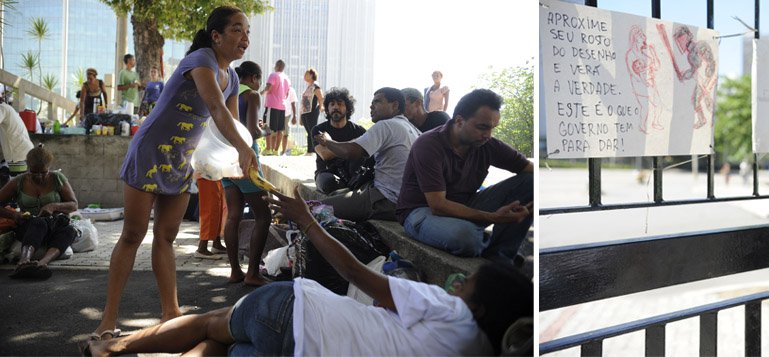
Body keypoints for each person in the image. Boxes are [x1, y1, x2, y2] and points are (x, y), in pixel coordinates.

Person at [82, 188, 532, 356]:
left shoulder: (446, 308)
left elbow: (356, 272)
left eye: (465, 284)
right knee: (222, 348)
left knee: (209, 325)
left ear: (477, 306)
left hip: (294, 312)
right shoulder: (479, 350)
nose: (456, 284)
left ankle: (112, 349)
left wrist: (307, 219)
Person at [91, 5, 258, 343]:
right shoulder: (201, 60)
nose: (245, 37)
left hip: (181, 161)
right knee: (133, 234)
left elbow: (231, 126)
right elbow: (213, 107)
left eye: (248, 31)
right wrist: (244, 148)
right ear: (217, 36)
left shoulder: (234, 77)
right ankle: (106, 321)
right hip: (151, 151)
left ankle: (171, 315)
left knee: (166, 237)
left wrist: (240, 157)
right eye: (238, 29)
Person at [396, 89, 533, 265]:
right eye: (482, 127)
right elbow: (438, 205)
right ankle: (484, 242)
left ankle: (500, 255)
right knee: (466, 238)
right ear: (459, 121)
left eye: (492, 128)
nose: (488, 135)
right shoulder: (428, 144)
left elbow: (529, 168)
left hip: (464, 205)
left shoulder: (487, 144)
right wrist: (493, 217)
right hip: (421, 212)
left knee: (531, 182)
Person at [314, 87, 420, 222]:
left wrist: (327, 142)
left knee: (315, 208)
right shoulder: (412, 129)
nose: (371, 106)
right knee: (336, 193)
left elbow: (350, 152)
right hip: (406, 200)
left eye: (377, 102)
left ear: (395, 105)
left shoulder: (386, 125)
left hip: (386, 199)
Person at [221, 60, 272, 286]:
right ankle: (252, 273)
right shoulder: (252, 95)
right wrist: (266, 129)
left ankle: (235, 271)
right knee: (264, 214)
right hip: (246, 159)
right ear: (254, 78)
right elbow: (251, 133)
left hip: (224, 158)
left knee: (233, 215)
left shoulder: (225, 93)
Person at [1, 144, 78, 280]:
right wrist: (14, 215)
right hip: (29, 227)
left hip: (55, 225)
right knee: (39, 222)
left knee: (70, 231)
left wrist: (53, 206)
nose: (40, 177)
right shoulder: (19, 182)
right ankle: (24, 262)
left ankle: (42, 264)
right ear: (28, 169)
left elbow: (74, 205)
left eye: (44, 173)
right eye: (34, 173)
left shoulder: (57, 178)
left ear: (49, 168)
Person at [310, 87, 367, 194]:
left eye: (340, 104)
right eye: (332, 104)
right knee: (330, 184)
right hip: (326, 173)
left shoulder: (359, 131)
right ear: (327, 109)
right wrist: (353, 147)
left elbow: (367, 152)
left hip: (352, 173)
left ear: (347, 108)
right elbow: (325, 154)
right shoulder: (319, 130)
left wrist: (329, 143)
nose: (336, 107)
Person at [260, 60, 291, 155]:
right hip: (282, 106)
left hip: (272, 105)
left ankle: (269, 148)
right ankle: (276, 151)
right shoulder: (286, 78)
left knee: (267, 126)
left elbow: (268, 87)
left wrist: (261, 93)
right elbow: (287, 93)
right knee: (279, 129)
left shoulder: (273, 75)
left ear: (276, 66)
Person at [194, 176, 226, 258]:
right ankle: (202, 248)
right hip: (206, 174)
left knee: (217, 208)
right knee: (209, 209)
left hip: (214, 174)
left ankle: (217, 243)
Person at [0, 104, 34, 175]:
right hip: (21, 150)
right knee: (19, 181)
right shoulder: (7, 108)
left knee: (17, 183)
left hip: (17, 152)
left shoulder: (2, 108)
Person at [300, 68, 324, 154]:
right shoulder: (309, 87)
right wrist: (301, 116)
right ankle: (310, 150)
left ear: (311, 75)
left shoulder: (315, 86)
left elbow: (321, 97)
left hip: (312, 111)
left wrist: (321, 106)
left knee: (312, 131)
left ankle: (315, 150)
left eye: (306, 74)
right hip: (305, 112)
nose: (304, 76)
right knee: (309, 131)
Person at [279, 86, 298, 155]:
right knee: (276, 132)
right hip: (277, 112)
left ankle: (283, 152)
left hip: (287, 113)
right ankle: (275, 150)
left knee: (285, 133)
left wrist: (294, 116)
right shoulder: (279, 87)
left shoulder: (291, 90)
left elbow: (293, 103)